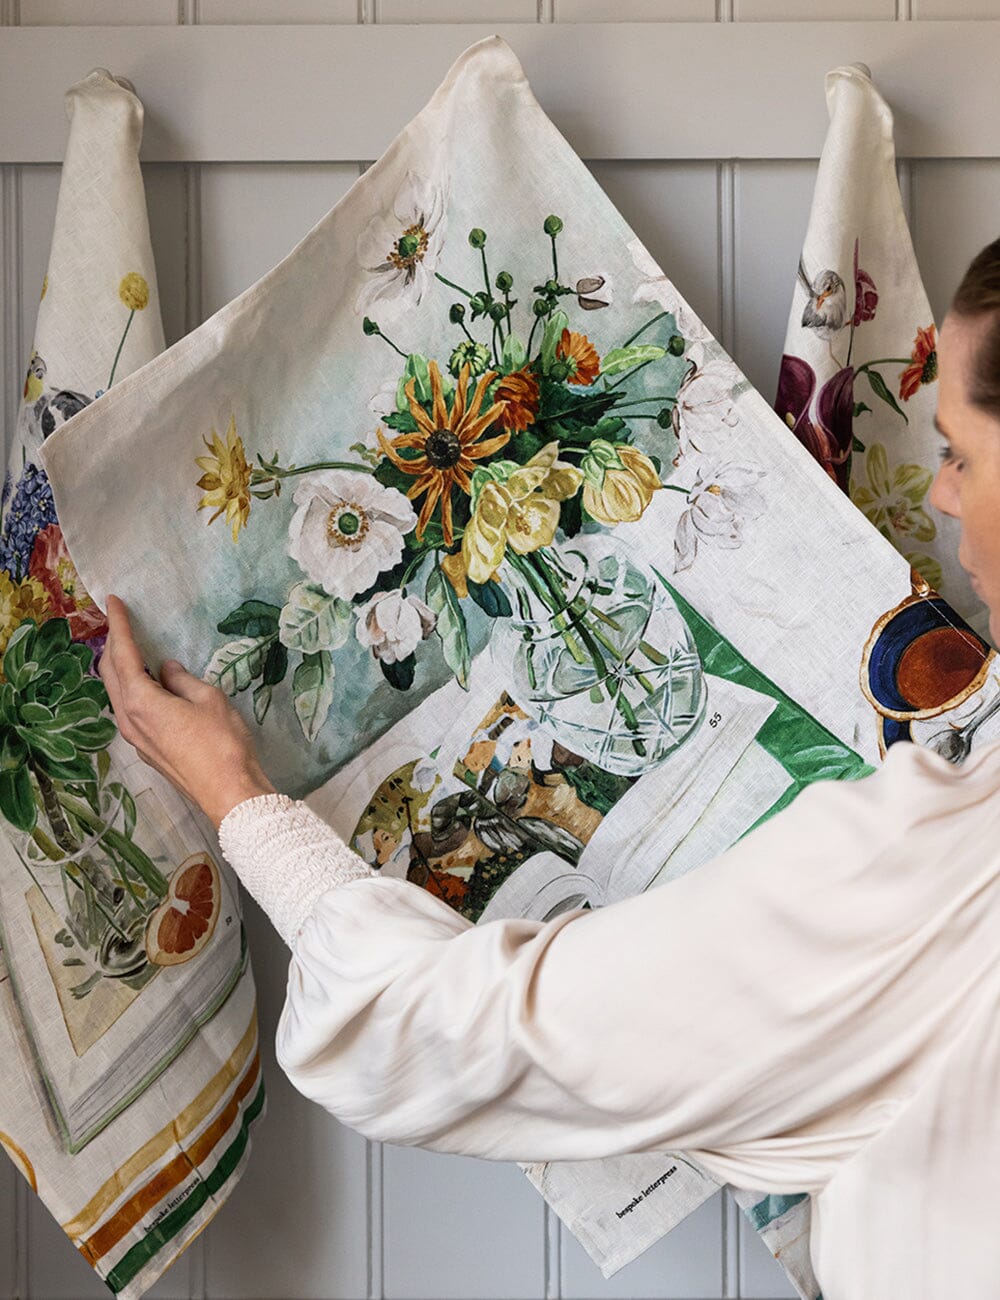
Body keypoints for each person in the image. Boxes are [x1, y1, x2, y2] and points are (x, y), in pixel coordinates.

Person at [97, 239, 1000, 1300]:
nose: (939, 498)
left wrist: (239, 802)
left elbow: (476, 1027)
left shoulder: (950, 860)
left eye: (963, 455)